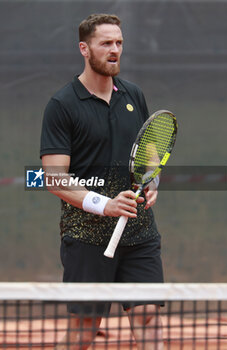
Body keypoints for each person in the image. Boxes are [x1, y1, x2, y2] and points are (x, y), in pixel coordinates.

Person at [40, 13, 164, 350]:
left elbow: (150, 152)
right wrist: (105, 204)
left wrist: (152, 182)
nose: (115, 50)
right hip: (87, 237)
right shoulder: (62, 105)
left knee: (149, 316)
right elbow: (53, 178)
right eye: (106, 43)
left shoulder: (133, 95)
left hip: (139, 234)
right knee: (84, 328)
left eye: (119, 43)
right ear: (84, 48)